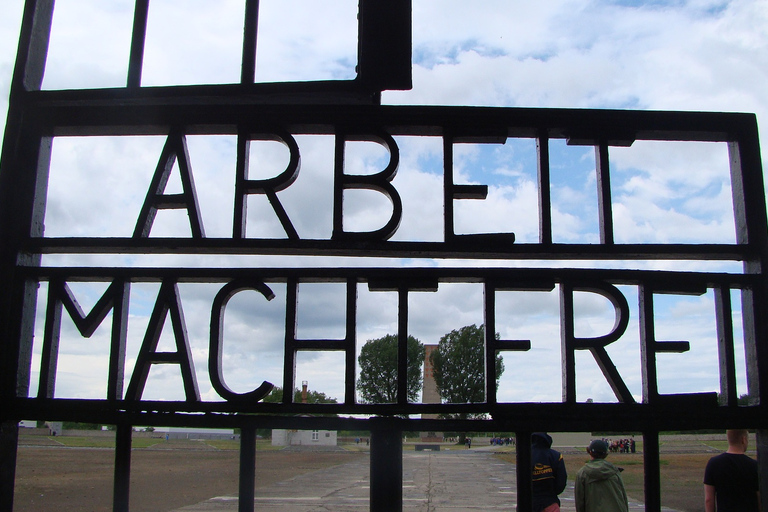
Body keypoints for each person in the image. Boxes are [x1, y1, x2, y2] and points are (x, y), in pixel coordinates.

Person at [703, 429, 759, 512]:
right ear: (743, 439)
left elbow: (708, 499)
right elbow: (759, 498)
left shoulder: (713, 463)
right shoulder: (754, 465)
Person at [575, 439, 628, 512]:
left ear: (590, 452)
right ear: (605, 454)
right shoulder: (614, 471)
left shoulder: (582, 473)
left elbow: (579, 502)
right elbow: (623, 497)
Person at [532, 432, 567, 512]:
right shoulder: (556, 456)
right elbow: (561, 482)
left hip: (529, 502)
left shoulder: (525, 454)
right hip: (550, 502)